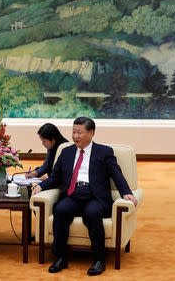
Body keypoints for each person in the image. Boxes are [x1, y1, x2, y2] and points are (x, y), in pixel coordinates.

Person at [32, 117, 137, 276]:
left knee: (92, 213)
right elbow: (55, 177)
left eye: (79, 132)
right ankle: (60, 257)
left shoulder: (104, 152)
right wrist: (41, 186)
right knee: (60, 211)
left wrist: (126, 192)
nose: (75, 136)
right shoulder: (66, 151)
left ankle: (99, 260)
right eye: (73, 132)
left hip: (94, 196)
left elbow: (116, 174)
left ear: (91, 133)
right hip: (73, 194)